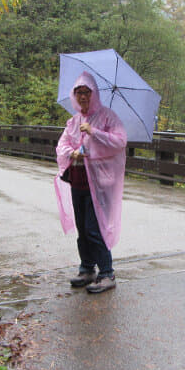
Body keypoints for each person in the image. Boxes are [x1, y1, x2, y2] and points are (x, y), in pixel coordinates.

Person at [55, 71, 127, 293]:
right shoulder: (74, 121)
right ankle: (87, 268)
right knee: (82, 229)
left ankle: (107, 272)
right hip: (78, 180)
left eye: (87, 92)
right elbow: (62, 145)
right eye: (79, 92)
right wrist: (73, 153)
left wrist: (94, 132)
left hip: (100, 182)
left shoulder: (107, 117)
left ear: (94, 93)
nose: (83, 96)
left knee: (95, 228)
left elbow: (119, 141)